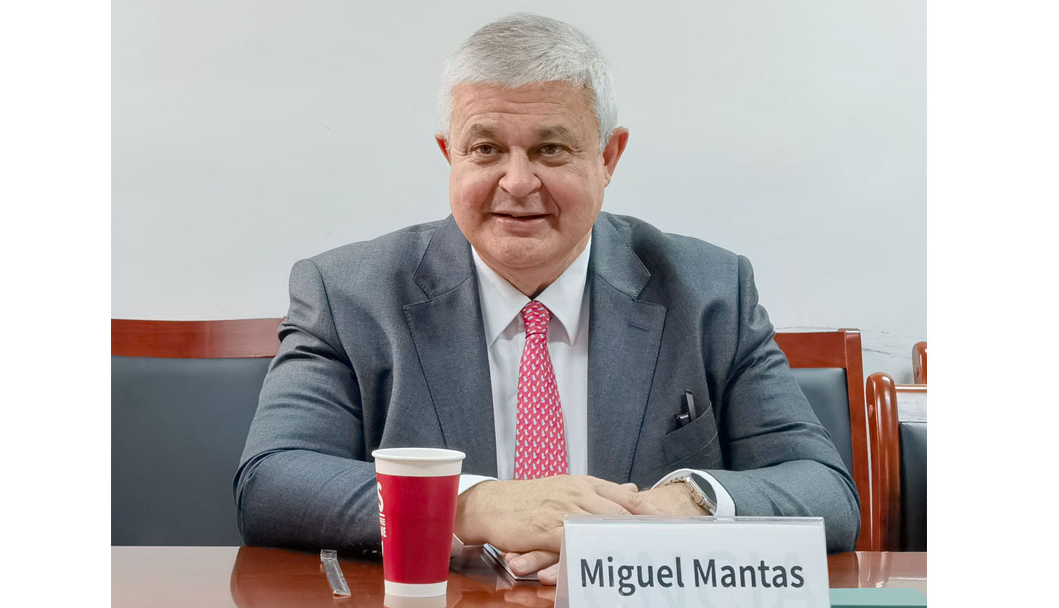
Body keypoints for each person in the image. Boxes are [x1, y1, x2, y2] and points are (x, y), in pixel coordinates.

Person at [234, 12, 859, 585]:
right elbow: (272, 481)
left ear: (609, 156)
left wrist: (680, 507)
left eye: (550, 149)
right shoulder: (348, 294)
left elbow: (824, 491)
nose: (517, 181)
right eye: (486, 149)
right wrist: (474, 503)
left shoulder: (710, 292)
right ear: (449, 155)